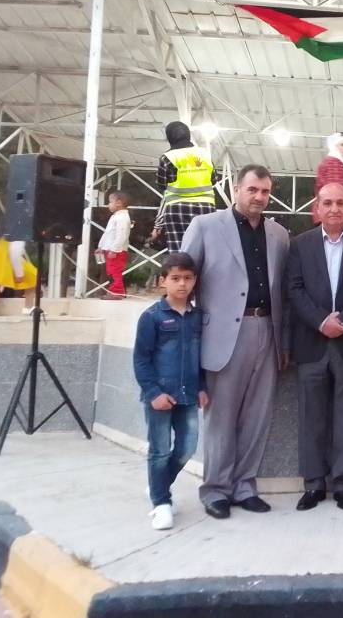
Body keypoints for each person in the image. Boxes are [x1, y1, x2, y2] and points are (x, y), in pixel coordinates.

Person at [181, 164, 290, 520]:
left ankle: (245, 486)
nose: (259, 197)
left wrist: (284, 341)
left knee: (257, 417)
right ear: (237, 189)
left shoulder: (279, 235)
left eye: (265, 191)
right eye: (252, 189)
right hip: (223, 335)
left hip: (267, 331)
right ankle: (215, 490)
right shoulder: (205, 226)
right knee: (221, 418)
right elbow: (183, 280)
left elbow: (284, 290)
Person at [287, 183, 343, 512]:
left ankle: (342, 484)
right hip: (312, 343)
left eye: (340, 202)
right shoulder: (300, 245)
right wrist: (320, 322)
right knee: (311, 418)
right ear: (317, 208)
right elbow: (294, 289)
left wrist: (342, 320)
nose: (334, 208)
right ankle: (313, 484)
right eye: (327, 203)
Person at [133, 252, 209, 531]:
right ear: (163, 281)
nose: (182, 284)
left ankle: (158, 485)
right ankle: (161, 503)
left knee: (187, 447)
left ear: (195, 281)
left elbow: (202, 357)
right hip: (160, 396)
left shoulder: (197, 317)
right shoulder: (152, 317)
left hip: (188, 395)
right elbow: (141, 359)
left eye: (188, 278)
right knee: (160, 451)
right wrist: (153, 393)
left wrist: (202, 387)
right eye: (175, 278)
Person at [151, 121, 217, 251]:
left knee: (179, 251)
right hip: (206, 208)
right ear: (188, 135)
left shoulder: (167, 157)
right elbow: (214, 180)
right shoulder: (204, 154)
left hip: (177, 209)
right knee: (205, 250)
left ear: (169, 138)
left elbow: (161, 184)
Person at [313, 133, 343, 224]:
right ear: (334, 146)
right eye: (342, 145)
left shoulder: (335, 161)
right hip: (332, 214)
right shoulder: (334, 163)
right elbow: (334, 191)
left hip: (329, 212)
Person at [97, 190, 131, 299]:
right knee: (111, 271)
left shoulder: (122, 218)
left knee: (115, 272)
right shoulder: (116, 216)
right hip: (110, 249)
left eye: (110, 202)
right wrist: (101, 246)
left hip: (116, 251)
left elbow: (121, 235)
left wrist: (114, 250)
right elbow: (108, 233)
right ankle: (115, 291)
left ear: (119, 203)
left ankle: (117, 292)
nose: (108, 205)